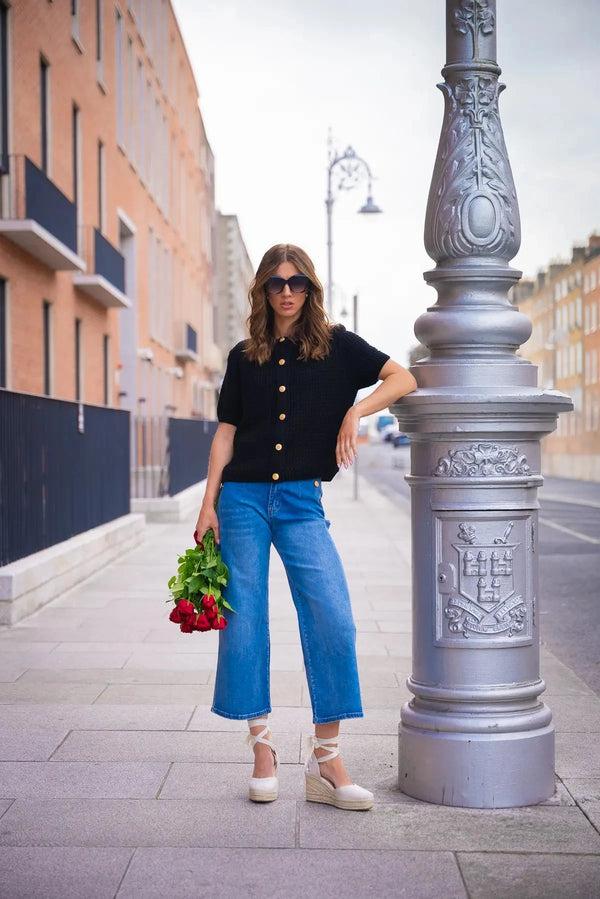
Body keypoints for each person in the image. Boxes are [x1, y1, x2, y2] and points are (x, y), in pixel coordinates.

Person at [194, 243, 417, 811]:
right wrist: (208, 503)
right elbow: (227, 432)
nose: (287, 292)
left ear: (311, 289)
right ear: (263, 291)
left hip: (301, 501)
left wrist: (356, 411)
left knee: (333, 617)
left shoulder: (338, 346)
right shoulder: (244, 356)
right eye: (276, 283)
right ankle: (262, 749)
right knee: (244, 619)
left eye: (297, 283)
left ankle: (327, 761)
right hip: (241, 499)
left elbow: (403, 379)